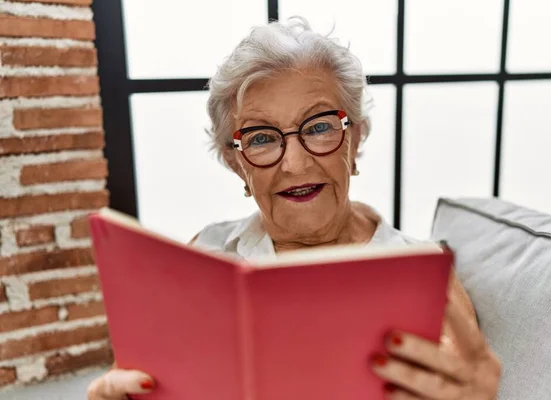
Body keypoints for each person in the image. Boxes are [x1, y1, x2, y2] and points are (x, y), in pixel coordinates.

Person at [87, 17, 501, 400]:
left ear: (355, 139)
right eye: (262, 138)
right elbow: (139, 378)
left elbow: (463, 383)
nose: (295, 164)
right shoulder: (205, 253)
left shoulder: (424, 275)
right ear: (237, 163)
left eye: (319, 127)